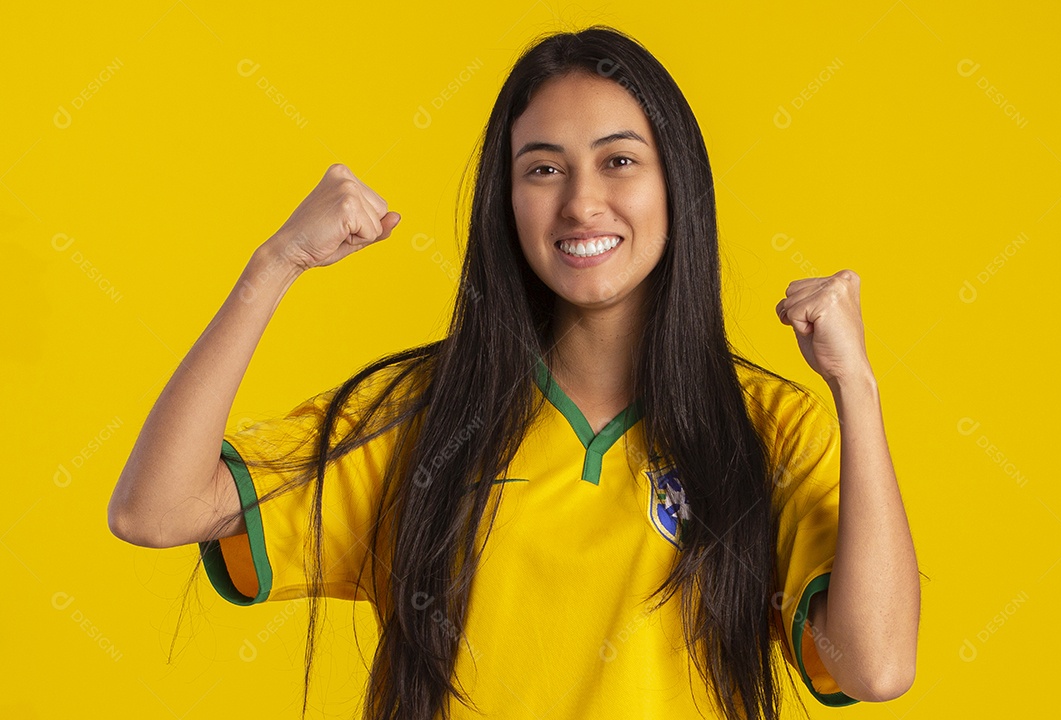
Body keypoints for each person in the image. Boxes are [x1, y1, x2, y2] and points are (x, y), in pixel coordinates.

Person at [108, 25, 920, 720]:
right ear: (505, 200)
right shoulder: (419, 416)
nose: (581, 202)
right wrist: (273, 264)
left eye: (620, 161)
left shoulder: (769, 428)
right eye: (542, 168)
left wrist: (857, 387)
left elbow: (873, 668)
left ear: (679, 185)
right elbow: (155, 510)